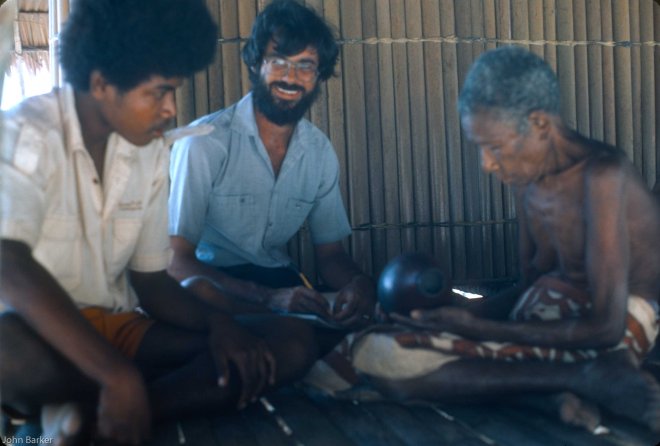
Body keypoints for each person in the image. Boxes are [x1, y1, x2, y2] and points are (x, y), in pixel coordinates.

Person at [0, 1, 320, 444]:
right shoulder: (23, 134)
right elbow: (8, 262)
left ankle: (106, 414)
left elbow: (151, 282)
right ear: (102, 84)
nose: (171, 109)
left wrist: (217, 324)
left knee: (289, 341)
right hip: (36, 333)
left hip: (123, 330)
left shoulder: (147, 150)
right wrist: (116, 374)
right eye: (159, 92)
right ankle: (119, 394)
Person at [321, 46, 660, 432]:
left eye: (494, 147)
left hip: (610, 335)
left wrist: (478, 330)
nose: (486, 164)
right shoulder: (527, 180)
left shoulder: (603, 176)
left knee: (395, 368)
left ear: (540, 124)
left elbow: (606, 327)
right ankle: (562, 385)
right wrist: (445, 318)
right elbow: (525, 289)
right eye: (479, 147)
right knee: (376, 349)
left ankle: (562, 381)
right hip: (540, 330)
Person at [168, 0, 376, 333]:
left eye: (306, 65)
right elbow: (176, 261)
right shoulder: (203, 143)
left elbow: (331, 256)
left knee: (366, 334)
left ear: (320, 77)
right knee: (290, 343)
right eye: (278, 61)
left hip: (281, 282)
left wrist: (359, 283)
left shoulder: (319, 152)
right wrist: (265, 298)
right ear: (255, 64)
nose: (291, 77)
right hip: (211, 288)